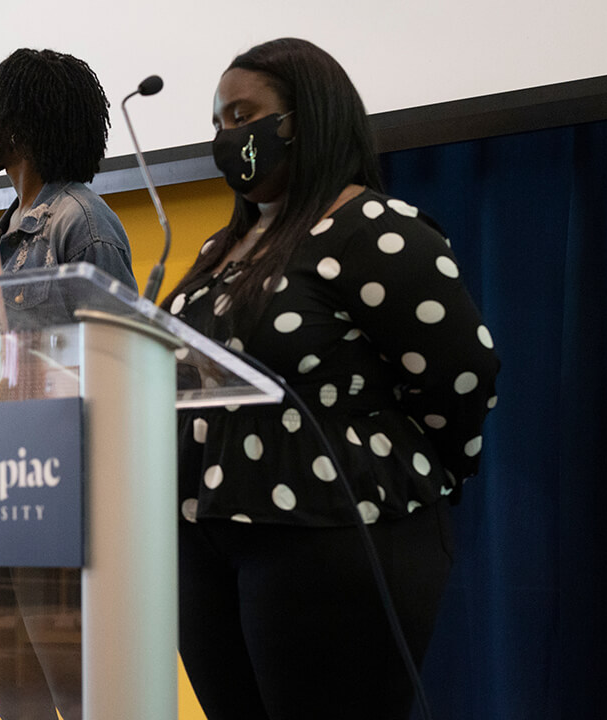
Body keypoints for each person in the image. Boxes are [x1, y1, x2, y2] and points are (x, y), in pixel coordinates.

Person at [164, 38, 499, 720]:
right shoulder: (220, 247)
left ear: (307, 118)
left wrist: (404, 471)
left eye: (241, 116)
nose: (228, 137)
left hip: (332, 536)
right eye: (218, 124)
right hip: (205, 539)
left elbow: (461, 375)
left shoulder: (373, 229)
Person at [0, 48, 137, 720]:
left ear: (20, 122)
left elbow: (117, 368)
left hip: (56, 495)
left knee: (79, 699)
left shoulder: (82, 224)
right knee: (20, 706)